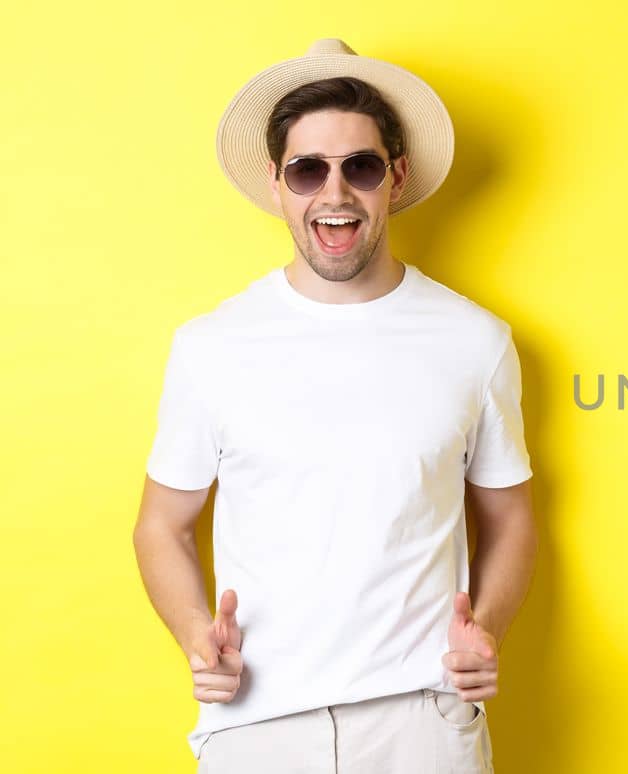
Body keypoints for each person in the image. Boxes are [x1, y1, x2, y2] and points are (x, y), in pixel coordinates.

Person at [131, 38, 533, 773]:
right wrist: (196, 634)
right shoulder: (210, 346)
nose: (335, 193)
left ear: (396, 177)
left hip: (423, 720)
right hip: (255, 722)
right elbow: (162, 524)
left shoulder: (476, 340)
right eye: (308, 169)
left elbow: (511, 517)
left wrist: (487, 631)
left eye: (362, 166)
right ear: (278, 184)